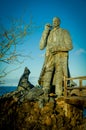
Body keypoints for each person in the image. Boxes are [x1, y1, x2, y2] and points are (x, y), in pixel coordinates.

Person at [39, 17, 73, 102]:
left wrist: (57, 48)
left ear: (60, 22)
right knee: (48, 73)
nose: (55, 22)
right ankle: (45, 93)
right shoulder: (48, 33)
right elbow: (41, 47)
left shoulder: (64, 32)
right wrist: (45, 31)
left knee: (59, 76)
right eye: (53, 21)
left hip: (60, 58)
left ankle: (59, 96)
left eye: (57, 21)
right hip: (49, 58)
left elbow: (70, 46)